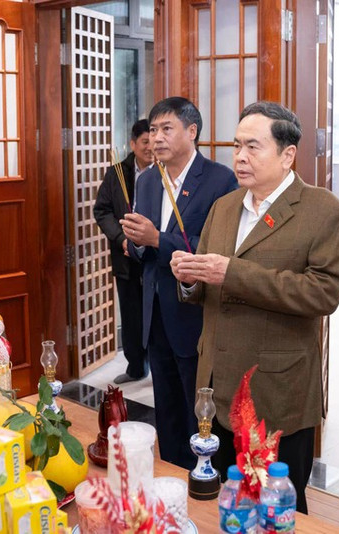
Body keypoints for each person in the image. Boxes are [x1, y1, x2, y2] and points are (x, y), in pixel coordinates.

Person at [170, 101, 339, 514]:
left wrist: (231, 273)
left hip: (275, 389)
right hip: (216, 384)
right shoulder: (226, 206)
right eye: (236, 146)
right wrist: (189, 279)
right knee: (227, 501)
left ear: (288, 155)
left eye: (253, 146)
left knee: (275, 507)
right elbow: (207, 284)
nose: (239, 156)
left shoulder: (324, 212)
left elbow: (324, 293)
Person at [121, 97, 237, 470]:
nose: (156, 138)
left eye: (166, 129)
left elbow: (214, 245)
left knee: (198, 404)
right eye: (152, 130)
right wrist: (136, 243)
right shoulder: (150, 179)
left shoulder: (220, 179)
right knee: (166, 402)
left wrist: (157, 239)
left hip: (195, 311)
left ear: (192, 132)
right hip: (155, 307)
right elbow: (144, 248)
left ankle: (204, 476)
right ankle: (171, 469)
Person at [94, 119, 153, 384]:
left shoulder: (165, 171)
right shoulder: (118, 171)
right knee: (130, 312)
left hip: (155, 253)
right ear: (133, 144)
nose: (150, 148)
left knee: (157, 313)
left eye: (154, 142)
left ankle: (158, 365)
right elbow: (102, 209)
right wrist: (121, 240)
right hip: (126, 254)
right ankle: (136, 366)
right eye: (145, 143)